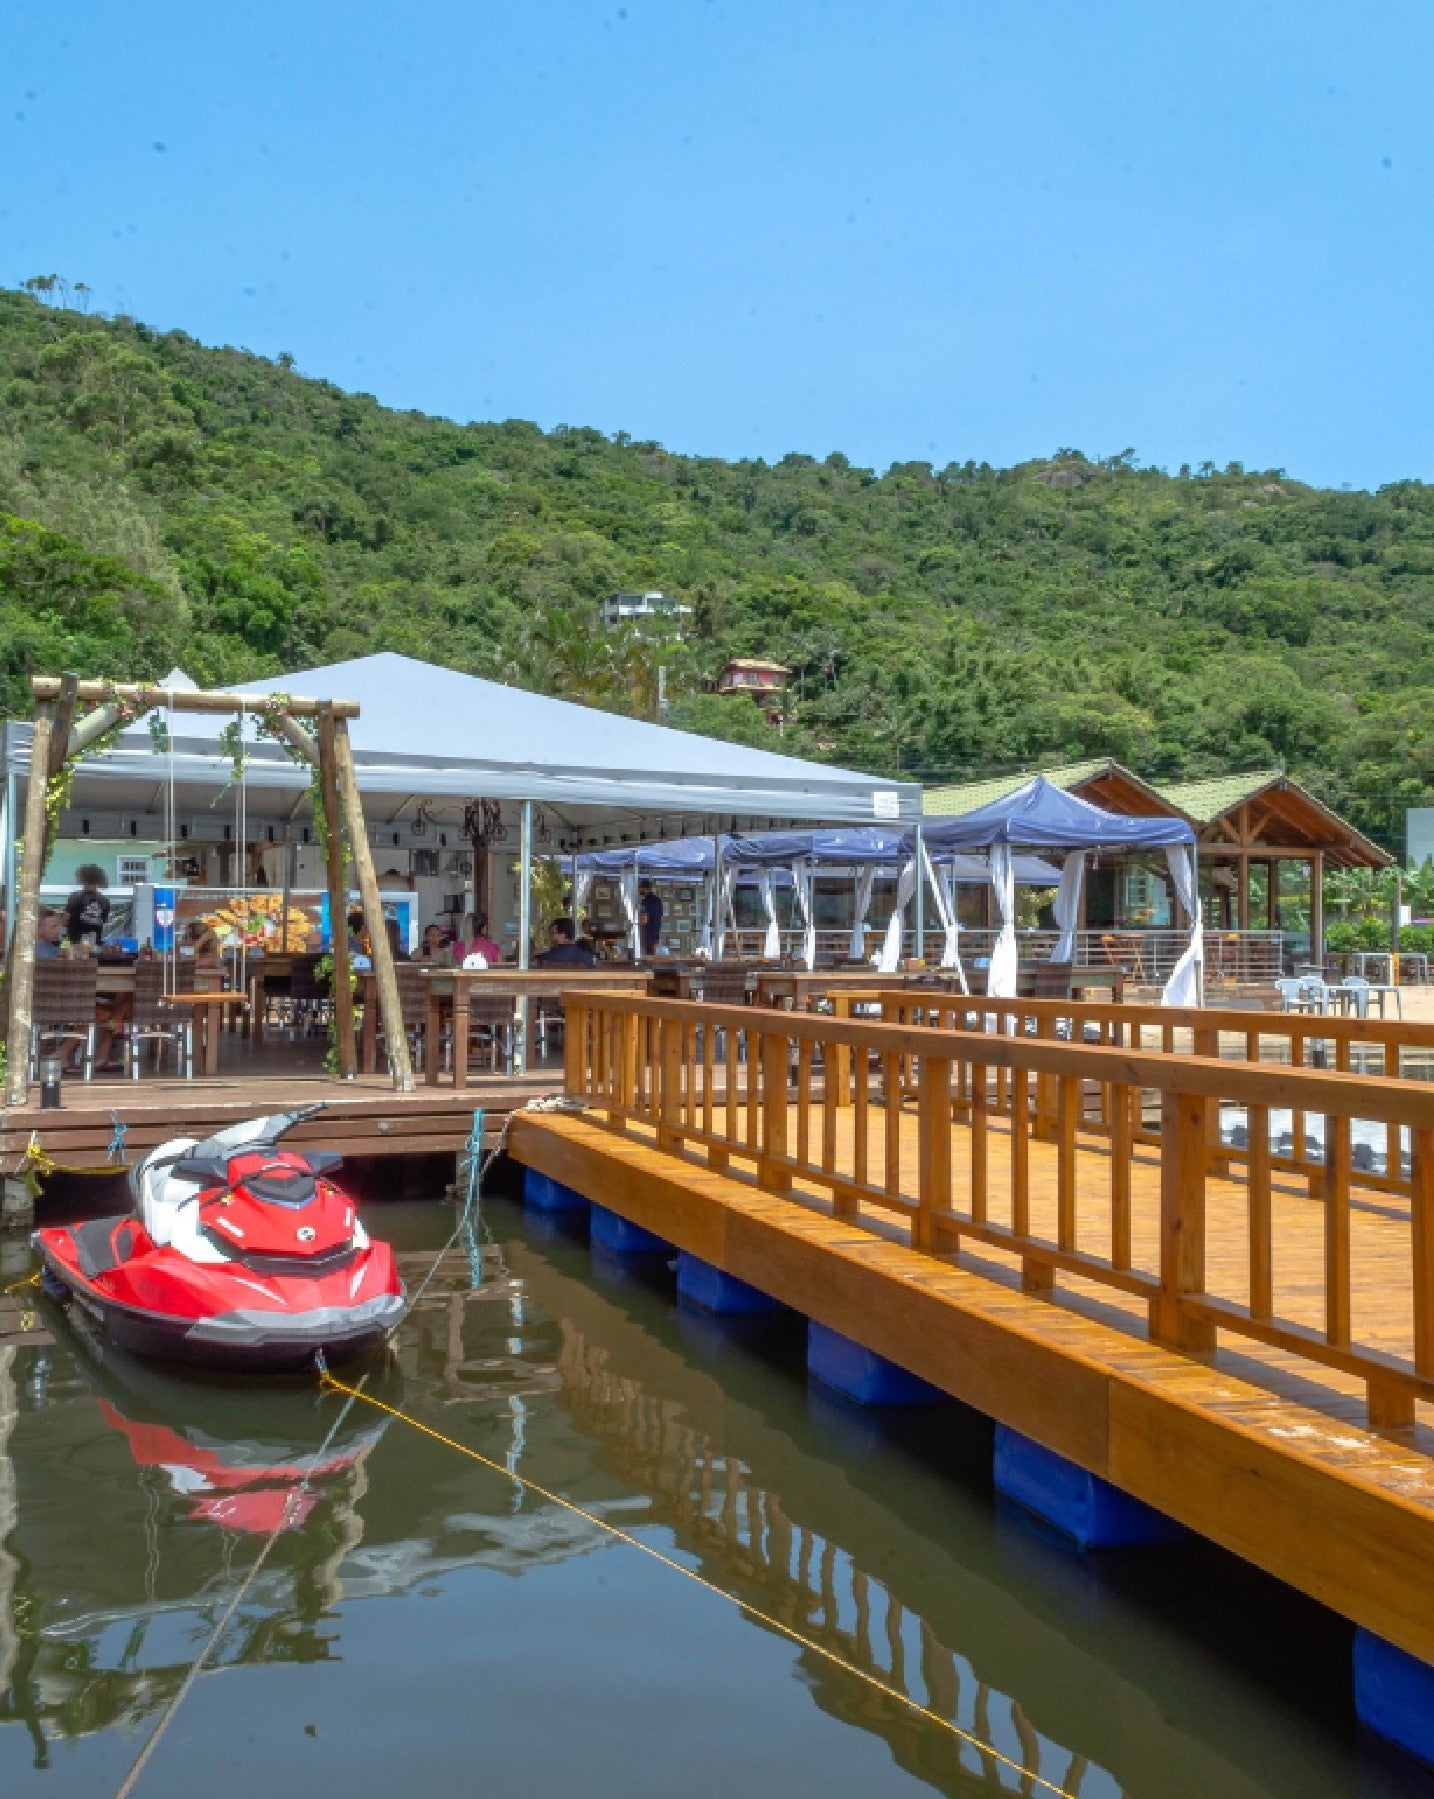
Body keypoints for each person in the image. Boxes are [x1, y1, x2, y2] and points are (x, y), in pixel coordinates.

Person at [65, 864, 111, 947]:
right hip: (94, 943)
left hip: (75, 942)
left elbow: (66, 919)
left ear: (82, 879)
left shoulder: (75, 897)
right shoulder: (104, 901)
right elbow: (104, 922)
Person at [638, 879, 664, 957]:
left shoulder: (645, 901)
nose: (639, 891)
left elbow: (644, 919)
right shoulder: (658, 900)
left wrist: (636, 922)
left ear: (645, 889)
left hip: (647, 932)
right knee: (653, 954)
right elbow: (661, 915)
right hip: (656, 931)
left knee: (647, 955)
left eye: (640, 889)